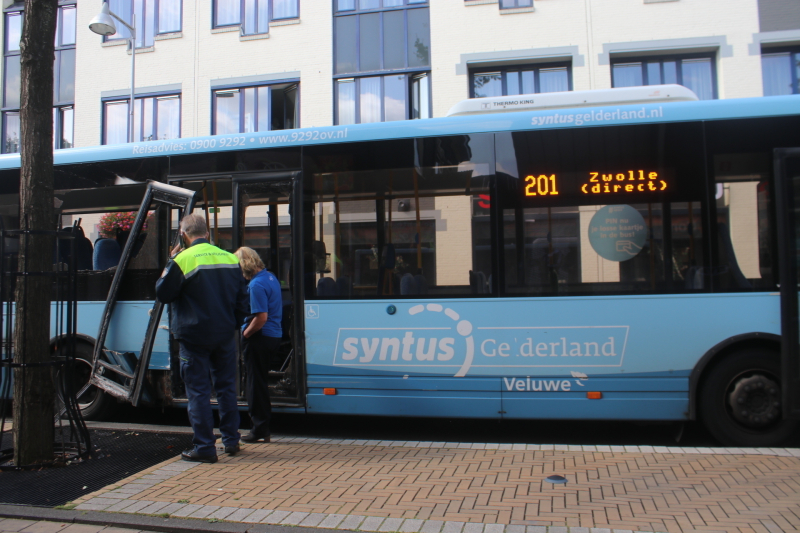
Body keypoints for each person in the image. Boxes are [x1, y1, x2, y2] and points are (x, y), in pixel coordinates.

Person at [156, 214, 249, 463]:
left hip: (193, 336)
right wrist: (232, 325)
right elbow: (243, 300)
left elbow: (163, 293)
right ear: (207, 234)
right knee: (227, 388)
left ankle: (205, 447)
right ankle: (231, 440)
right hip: (225, 335)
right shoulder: (230, 258)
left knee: (198, 391)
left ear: (183, 235)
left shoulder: (182, 259)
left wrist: (171, 260)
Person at [234, 246, 283, 443]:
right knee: (260, 381)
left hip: (259, 337)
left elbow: (261, 317)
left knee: (255, 384)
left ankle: (259, 428)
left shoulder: (255, 285)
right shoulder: (270, 277)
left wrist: (245, 334)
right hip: (274, 336)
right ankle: (263, 427)